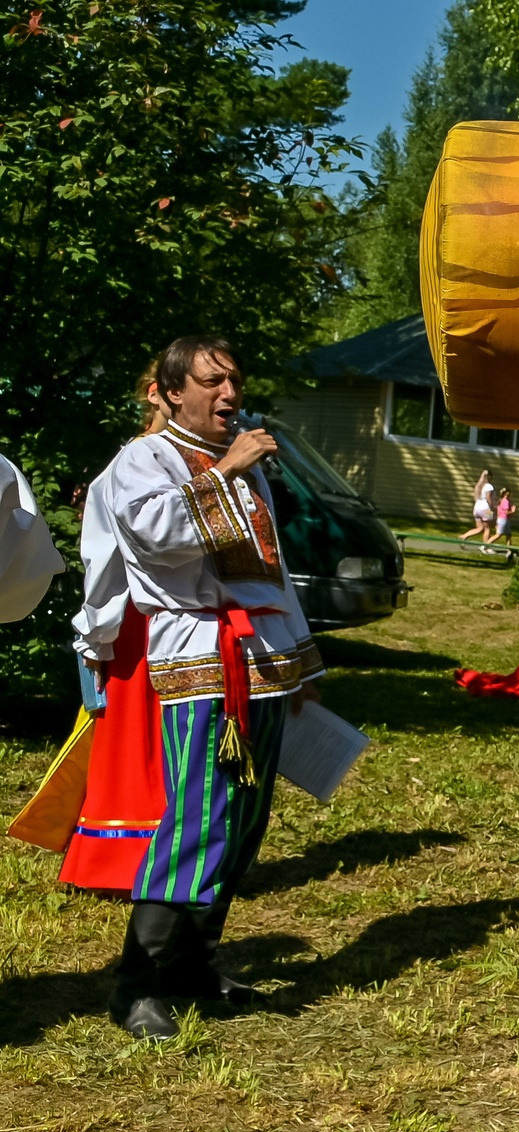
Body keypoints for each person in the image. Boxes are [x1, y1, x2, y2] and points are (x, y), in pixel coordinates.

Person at [70, 336, 323, 1041]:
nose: (229, 395)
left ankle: (192, 961)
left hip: (262, 657)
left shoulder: (246, 462)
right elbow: (153, 540)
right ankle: (135, 983)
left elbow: (269, 566)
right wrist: (224, 473)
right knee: (197, 821)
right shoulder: (140, 461)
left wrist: (303, 664)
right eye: (212, 382)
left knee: (245, 821)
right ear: (172, 390)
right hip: (195, 655)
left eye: (235, 380)